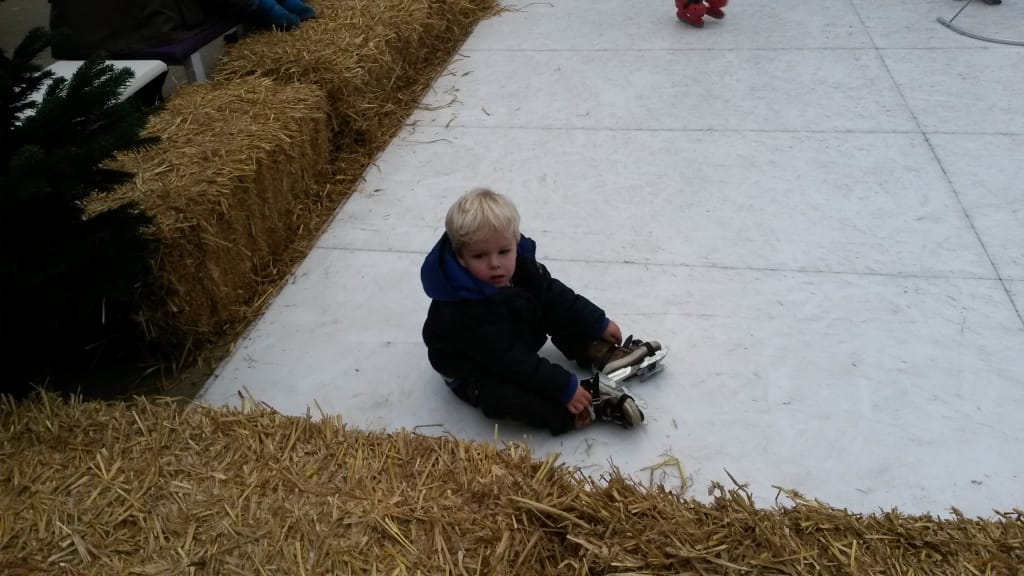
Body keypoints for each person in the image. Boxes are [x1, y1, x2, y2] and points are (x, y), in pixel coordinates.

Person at [421, 188, 655, 435]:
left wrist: (596, 323)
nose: (495, 264)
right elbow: (510, 361)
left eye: (503, 251)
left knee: (548, 307)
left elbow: (554, 296)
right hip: (477, 368)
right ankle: (584, 405)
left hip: (507, 335)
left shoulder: (520, 266)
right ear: (461, 258)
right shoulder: (463, 312)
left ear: (515, 242)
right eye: (480, 255)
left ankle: (596, 351)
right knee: (504, 397)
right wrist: (563, 386)